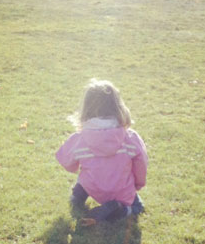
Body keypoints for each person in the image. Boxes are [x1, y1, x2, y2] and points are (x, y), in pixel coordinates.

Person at [56, 79, 148, 224]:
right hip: (121, 190)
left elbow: (66, 161)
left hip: (92, 186)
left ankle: (77, 196)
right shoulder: (130, 138)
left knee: (85, 175)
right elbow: (141, 164)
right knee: (138, 207)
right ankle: (119, 208)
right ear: (118, 107)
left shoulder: (80, 139)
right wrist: (138, 184)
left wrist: (76, 165)